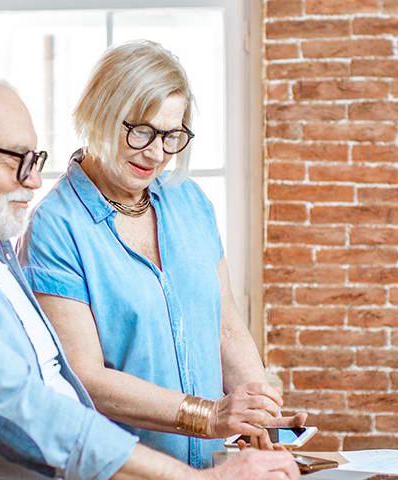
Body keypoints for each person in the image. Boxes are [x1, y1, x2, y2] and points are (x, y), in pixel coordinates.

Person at [0, 67, 299, 480]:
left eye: (35, 161)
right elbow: (29, 414)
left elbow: (57, 395)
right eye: (17, 159)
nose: (35, 182)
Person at [19, 40, 305, 469]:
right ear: (100, 113)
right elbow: (85, 378)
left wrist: (261, 415)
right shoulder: (56, 226)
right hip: (121, 472)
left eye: (172, 136)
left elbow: (225, 328)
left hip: (211, 469)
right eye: (141, 131)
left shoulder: (189, 201)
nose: (157, 153)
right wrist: (207, 415)